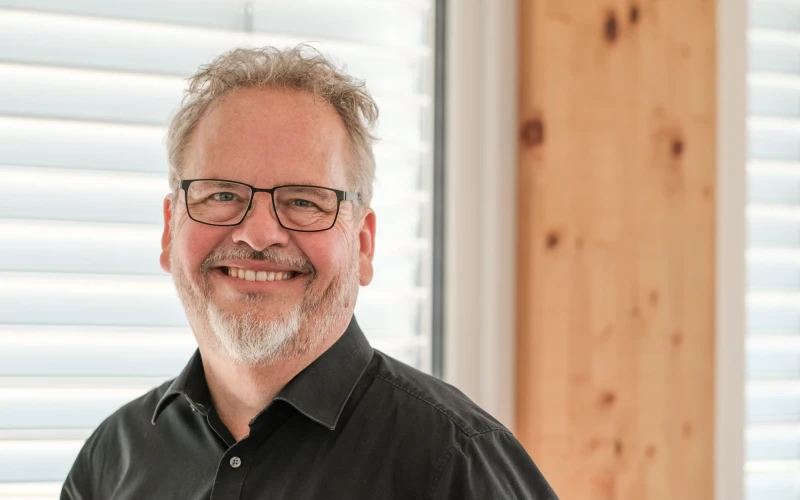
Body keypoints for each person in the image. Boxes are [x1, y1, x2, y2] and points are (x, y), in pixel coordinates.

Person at [60, 46, 558, 500]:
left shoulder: (456, 464)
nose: (257, 235)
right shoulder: (111, 463)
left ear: (363, 244)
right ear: (170, 230)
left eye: (303, 201)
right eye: (222, 195)